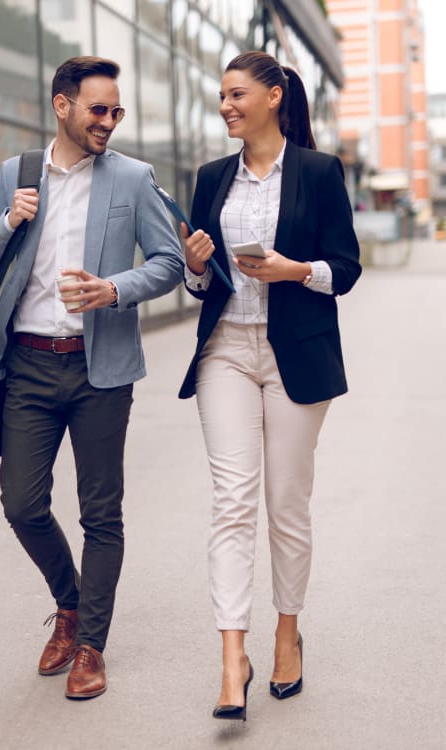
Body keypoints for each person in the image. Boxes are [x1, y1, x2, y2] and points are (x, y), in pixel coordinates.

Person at [0, 56, 184, 700]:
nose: (109, 121)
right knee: (21, 504)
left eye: (116, 111)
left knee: (102, 512)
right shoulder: (18, 173)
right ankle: (68, 604)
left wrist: (113, 289)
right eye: (99, 109)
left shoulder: (132, 177)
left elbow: (170, 261)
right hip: (29, 366)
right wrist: (9, 220)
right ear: (62, 106)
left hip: (100, 371)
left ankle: (91, 643)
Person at [177, 51, 362, 721]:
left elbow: (345, 269)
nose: (226, 105)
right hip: (225, 349)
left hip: (295, 358)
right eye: (221, 96)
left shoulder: (318, 172)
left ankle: (287, 633)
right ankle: (233, 658)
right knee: (232, 501)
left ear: (274, 95)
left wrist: (293, 270)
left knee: (286, 502)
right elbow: (200, 286)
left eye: (236, 94)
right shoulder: (210, 178)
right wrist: (196, 267)